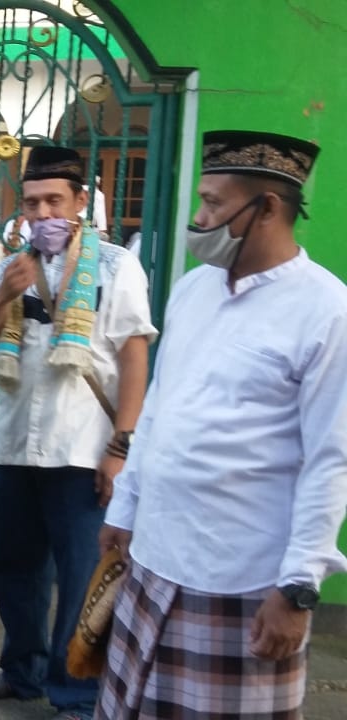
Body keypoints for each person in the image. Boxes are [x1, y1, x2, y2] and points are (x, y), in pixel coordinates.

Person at [97, 131, 347, 719]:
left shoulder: (326, 311)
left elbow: (330, 458)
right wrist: (125, 508)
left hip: (241, 581)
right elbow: (158, 406)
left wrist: (297, 588)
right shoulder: (193, 290)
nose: (199, 217)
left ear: (267, 208)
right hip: (155, 560)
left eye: (212, 203)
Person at [0, 146, 157, 720]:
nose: (42, 212)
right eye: (31, 203)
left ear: (80, 202)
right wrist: (3, 293)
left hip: (83, 449)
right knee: (12, 570)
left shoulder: (115, 266)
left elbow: (133, 357)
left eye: (54, 200)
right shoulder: (8, 267)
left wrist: (121, 447)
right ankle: (19, 671)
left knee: (80, 576)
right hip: (14, 445)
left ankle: (74, 689)